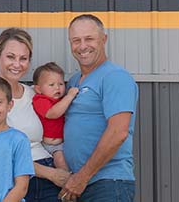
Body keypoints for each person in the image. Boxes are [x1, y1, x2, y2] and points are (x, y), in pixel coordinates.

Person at [0, 28, 70, 201]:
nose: (17, 64)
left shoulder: (33, 94)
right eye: (10, 57)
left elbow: (50, 134)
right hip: (13, 180)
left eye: (23, 58)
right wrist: (51, 174)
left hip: (48, 177)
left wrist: (60, 168)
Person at [59, 15, 138, 202]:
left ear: (104, 39)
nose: (82, 46)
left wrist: (82, 177)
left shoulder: (115, 77)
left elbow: (118, 132)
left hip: (108, 184)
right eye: (76, 40)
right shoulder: (73, 81)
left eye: (89, 39)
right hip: (81, 185)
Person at [31, 62, 79, 170]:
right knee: (60, 161)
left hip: (63, 143)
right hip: (50, 145)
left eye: (61, 84)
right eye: (51, 85)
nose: (57, 88)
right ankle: (67, 182)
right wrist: (70, 96)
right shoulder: (40, 100)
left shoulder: (61, 100)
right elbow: (53, 114)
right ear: (38, 89)